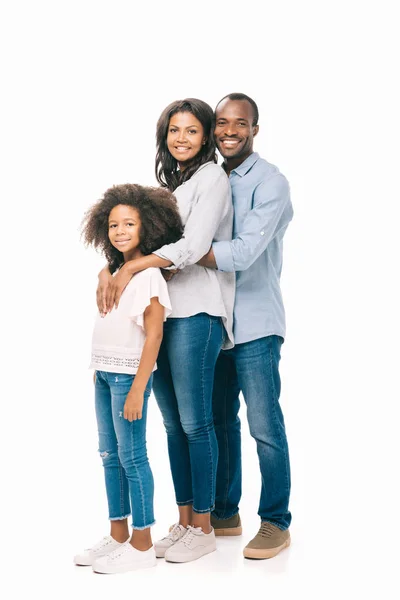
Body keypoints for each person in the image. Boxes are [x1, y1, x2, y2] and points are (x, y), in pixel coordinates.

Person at [96, 99, 235, 563]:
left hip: (197, 314)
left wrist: (132, 265)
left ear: (206, 136)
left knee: (197, 423)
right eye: (174, 130)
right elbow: (142, 243)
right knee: (173, 424)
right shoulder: (170, 187)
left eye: (192, 131)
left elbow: (193, 247)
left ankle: (204, 525)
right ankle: (183, 522)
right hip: (166, 316)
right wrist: (110, 268)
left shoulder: (212, 178)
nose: (181, 138)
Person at [198, 93, 293, 559]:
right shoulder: (208, 179)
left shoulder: (271, 182)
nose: (229, 131)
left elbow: (243, 252)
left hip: (255, 324)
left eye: (240, 123)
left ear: (255, 129)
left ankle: (276, 522)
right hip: (214, 323)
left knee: (264, 426)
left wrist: (183, 253)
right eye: (221, 123)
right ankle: (223, 512)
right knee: (218, 423)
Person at [74, 183, 183, 574]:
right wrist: (99, 370)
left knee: (132, 457)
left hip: (127, 379)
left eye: (129, 224)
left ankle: (140, 543)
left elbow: (154, 334)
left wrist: (139, 388)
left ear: (147, 227)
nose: (120, 231)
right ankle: (117, 534)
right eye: (114, 225)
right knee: (109, 455)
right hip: (103, 373)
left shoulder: (149, 275)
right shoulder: (114, 271)